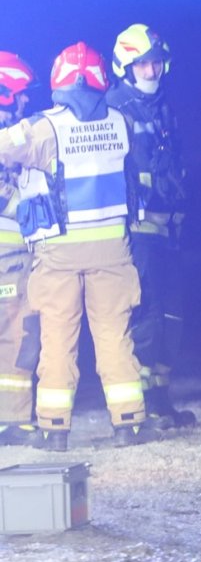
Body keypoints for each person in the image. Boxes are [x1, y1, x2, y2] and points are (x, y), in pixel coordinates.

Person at [0, 42, 153, 451]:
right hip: (113, 251)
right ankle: (129, 424)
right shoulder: (122, 122)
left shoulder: (43, 128)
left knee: (56, 340)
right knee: (114, 336)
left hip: (58, 255)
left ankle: (54, 430)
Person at [107, 23, 194, 429]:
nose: (151, 70)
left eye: (156, 62)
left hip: (168, 226)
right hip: (137, 229)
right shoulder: (114, 110)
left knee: (171, 314)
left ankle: (161, 397)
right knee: (146, 312)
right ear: (125, 67)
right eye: (142, 64)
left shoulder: (164, 107)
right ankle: (141, 402)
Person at [0, 52, 40, 447]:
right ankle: (11, 419)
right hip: (8, 250)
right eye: (20, 92)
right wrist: (29, 211)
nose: (26, 100)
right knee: (15, 331)